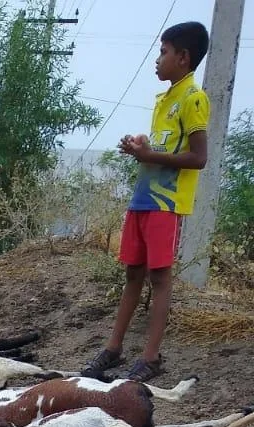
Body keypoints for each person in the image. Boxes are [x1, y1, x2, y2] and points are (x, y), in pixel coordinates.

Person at [81, 22, 210, 384]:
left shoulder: (193, 99)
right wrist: (142, 148)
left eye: (164, 52)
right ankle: (113, 348)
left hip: (165, 203)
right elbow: (165, 149)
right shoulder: (165, 99)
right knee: (133, 273)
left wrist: (151, 153)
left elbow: (199, 158)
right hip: (143, 198)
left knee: (159, 278)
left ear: (183, 58)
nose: (158, 60)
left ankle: (150, 357)